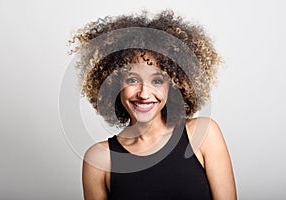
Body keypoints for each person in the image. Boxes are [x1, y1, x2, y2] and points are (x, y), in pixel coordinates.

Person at [69, 10, 237, 200]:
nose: (143, 93)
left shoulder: (204, 134)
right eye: (132, 80)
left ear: (173, 86)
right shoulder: (99, 160)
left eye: (157, 81)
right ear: (114, 84)